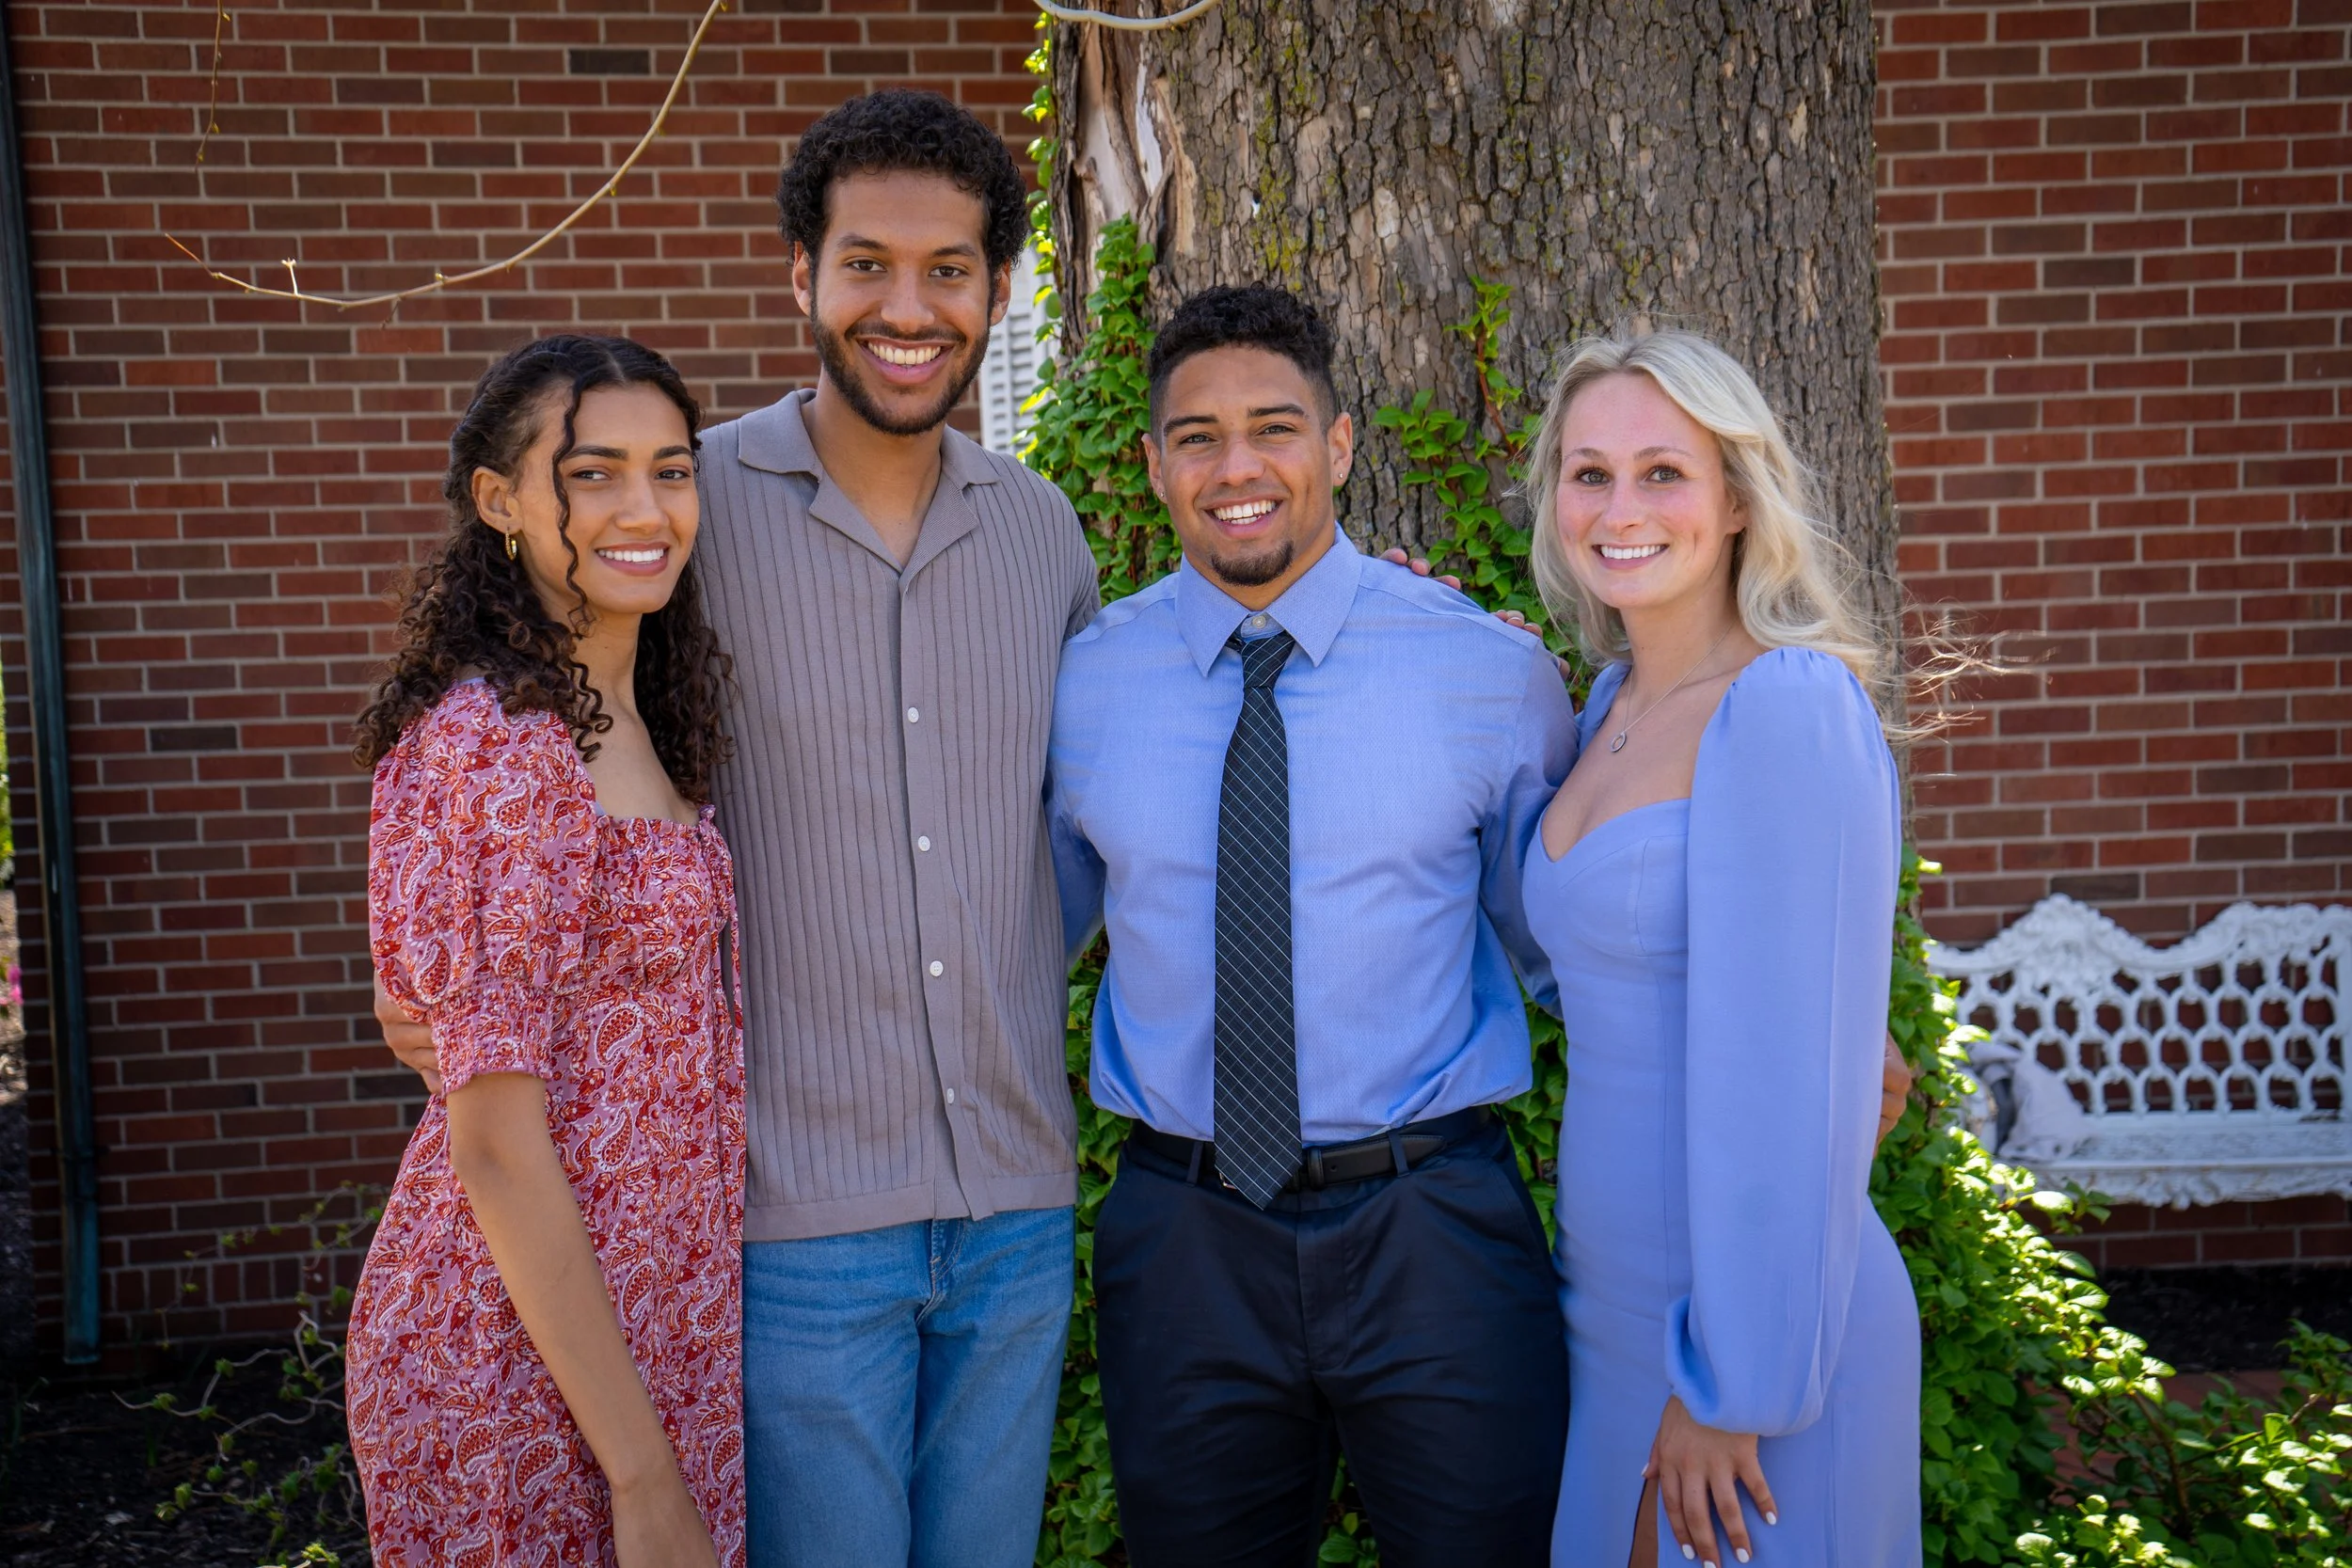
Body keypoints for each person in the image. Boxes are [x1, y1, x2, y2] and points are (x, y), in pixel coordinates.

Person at [375, 91, 1098, 1568]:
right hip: (786, 1230)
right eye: (866, 263)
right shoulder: (701, 515)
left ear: (999, 292)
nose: (909, 306)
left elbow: (1079, 826)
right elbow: (513, 840)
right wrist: (456, 1008)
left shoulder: (1044, 533)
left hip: (1018, 1208)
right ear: (801, 277)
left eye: (949, 269)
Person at [1047, 285, 1577, 1567]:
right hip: (1185, 1235)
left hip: (1434, 1222)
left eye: (1276, 427)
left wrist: (1804, 1045)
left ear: (1338, 447)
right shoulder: (1082, 684)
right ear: (1155, 462)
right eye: (1198, 436)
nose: (1239, 468)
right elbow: (1030, 939)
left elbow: (1571, 952)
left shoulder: (1488, 674)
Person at [1515, 327, 1920, 1568]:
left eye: (1663, 472)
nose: (1620, 508)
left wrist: (1732, 1380)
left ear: (1738, 497)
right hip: (1608, 1311)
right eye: (1589, 473)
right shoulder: (1601, 710)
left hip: (1750, 1344)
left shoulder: (1787, 707)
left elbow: (1834, 1085)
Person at [348, 335, 743, 1568]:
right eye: (593, 473)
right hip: (517, 1356)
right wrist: (641, 1473)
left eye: (671, 470)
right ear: (500, 501)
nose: (644, 508)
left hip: (656, 1320)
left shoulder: (637, 705)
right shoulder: (502, 750)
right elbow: (497, 1139)